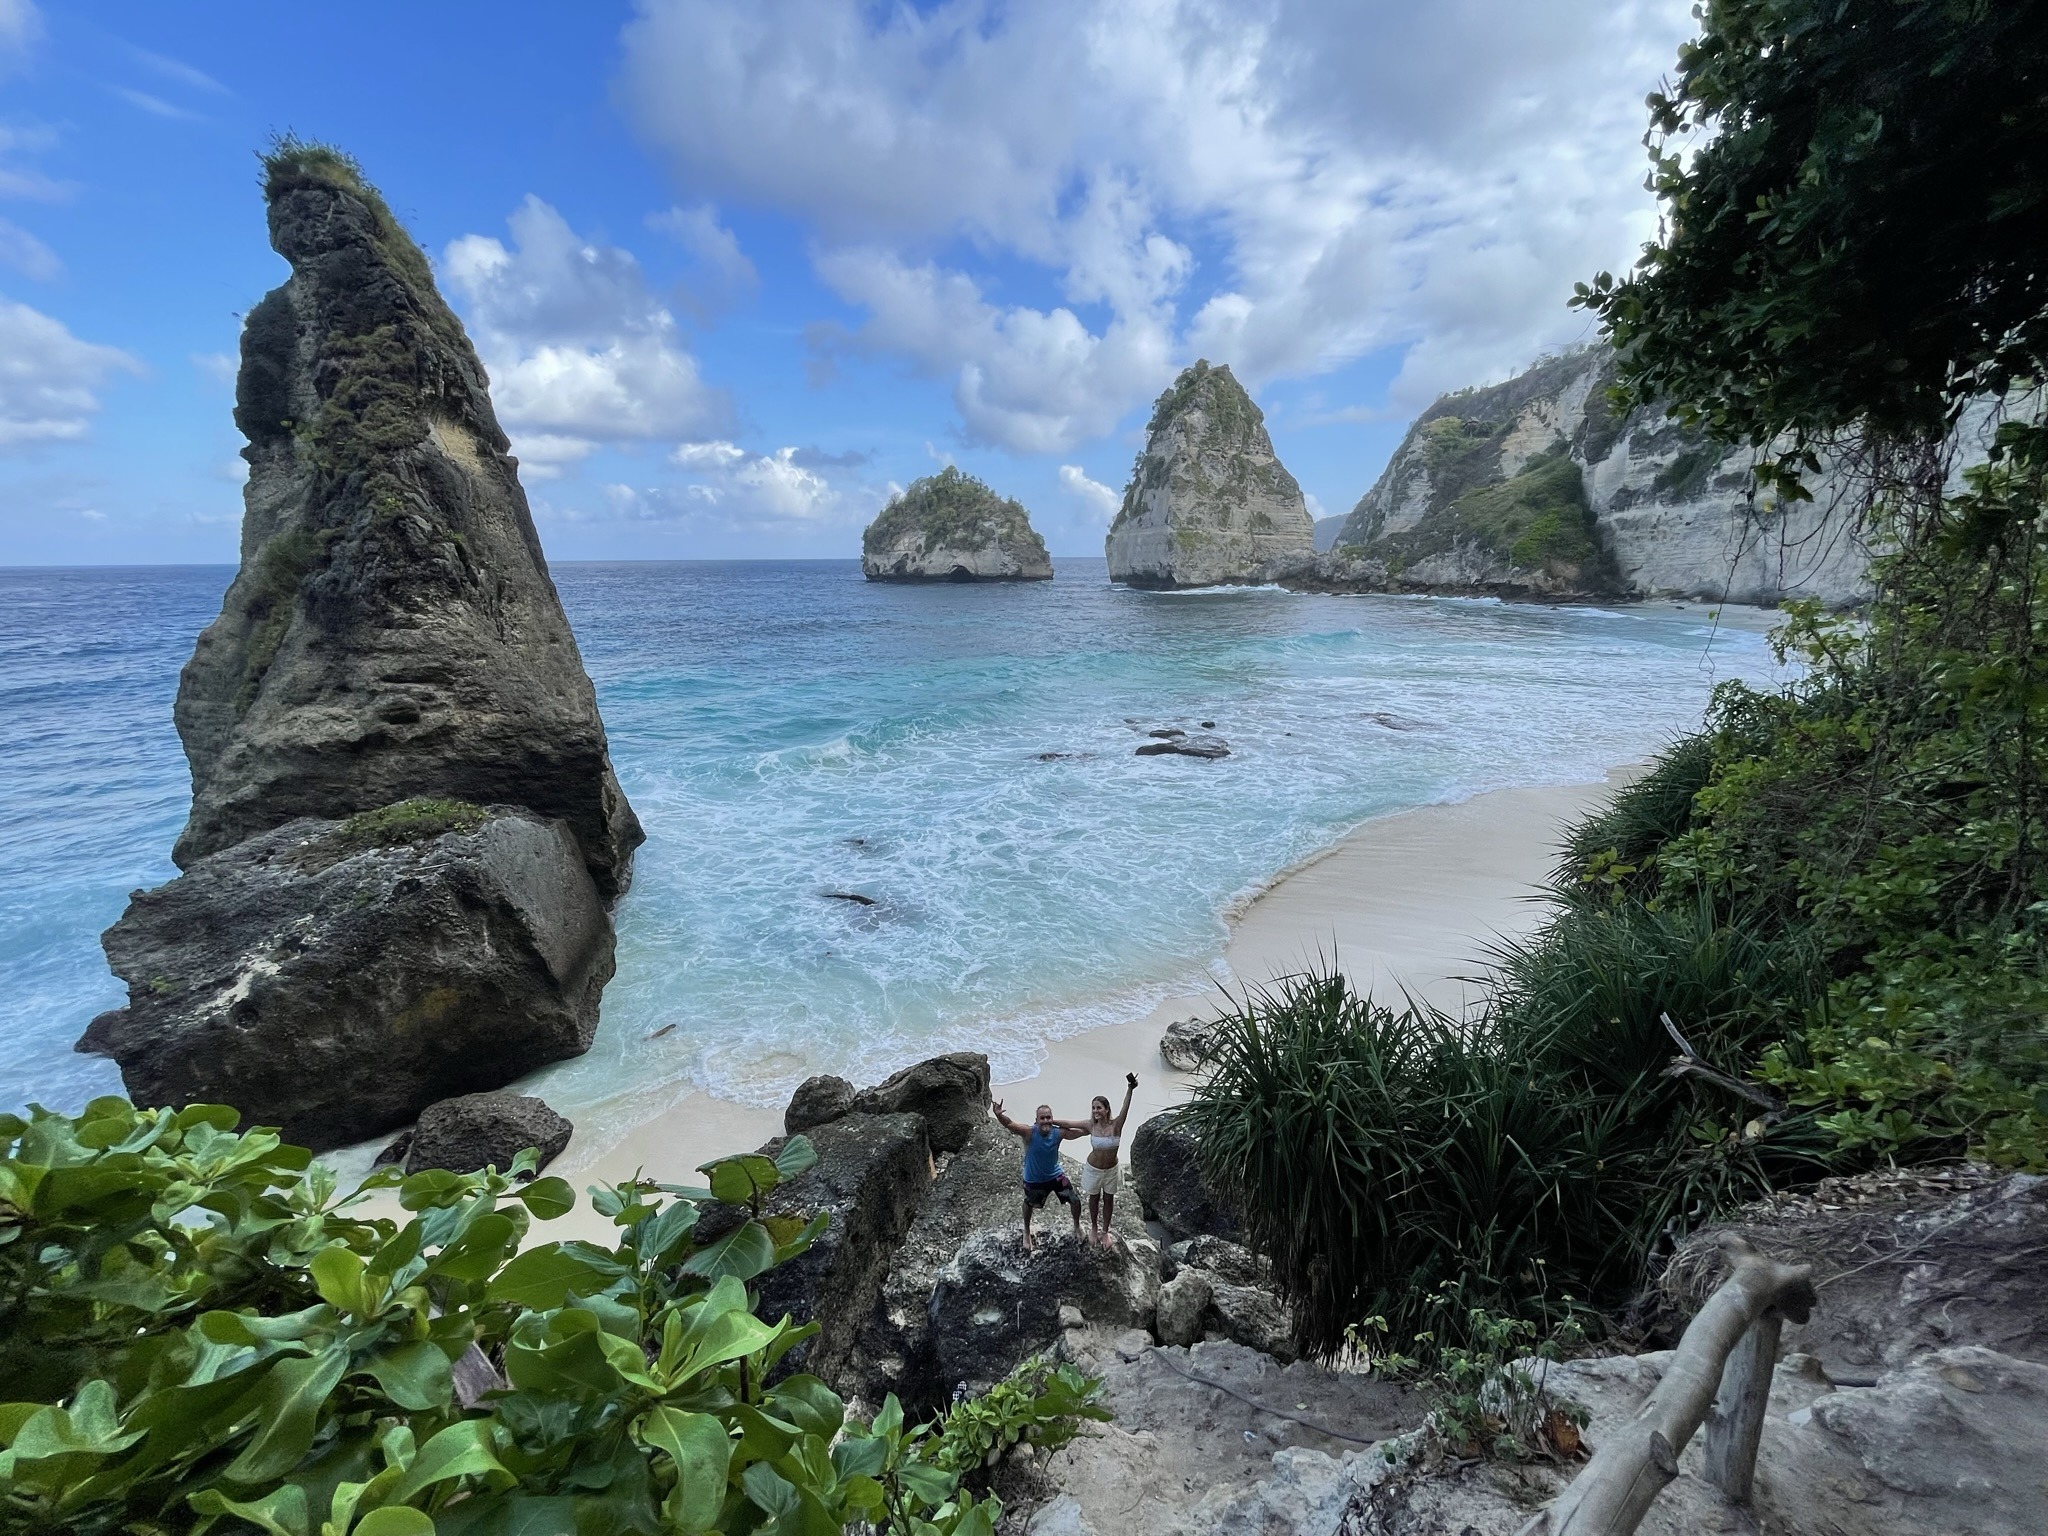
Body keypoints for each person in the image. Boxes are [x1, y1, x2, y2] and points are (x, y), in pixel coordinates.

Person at [991, 1098, 1084, 1251]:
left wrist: (1093, 1125)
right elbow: (1010, 1125)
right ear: (1037, 1120)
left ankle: (1076, 1225)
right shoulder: (1029, 1132)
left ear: (1053, 1119)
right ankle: (1026, 1231)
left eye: (1049, 1117)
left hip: (1055, 1175)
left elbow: (1079, 1133)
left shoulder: (1057, 1132)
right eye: (1043, 1118)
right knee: (1029, 1203)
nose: (1046, 1121)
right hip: (1034, 1179)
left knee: (1074, 1200)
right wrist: (999, 1115)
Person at [1074, 1073, 1136, 1247]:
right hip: (1093, 1168)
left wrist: (1130, 1089)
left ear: (1107, 1109)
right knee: (1093, 1198)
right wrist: (1048, 1122)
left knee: (1109, 1199)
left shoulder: (1116, 1125)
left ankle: (1105, 1231)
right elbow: (1069, 1123)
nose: (1095, 1111)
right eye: (1093, 1108)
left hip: (1111, 1170)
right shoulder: (1090, 1125)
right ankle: (1094, 1228)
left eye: (1099, 1108)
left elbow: (1126, 1107)